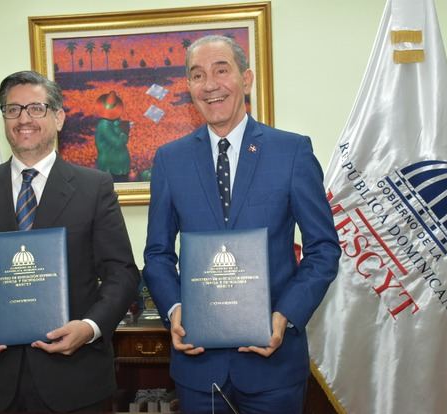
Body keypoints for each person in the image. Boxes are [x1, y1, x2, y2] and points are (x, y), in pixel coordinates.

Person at [142, 35, 341, 414]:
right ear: (189, 88)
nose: (210, 84)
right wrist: (173, 309)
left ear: (246, 79)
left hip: (274, 364)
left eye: (222, 70)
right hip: (198, 367)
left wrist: (286, 315)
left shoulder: (292, 150)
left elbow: (323, 248)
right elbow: (157, 253)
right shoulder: (170, 160)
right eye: (198, 75)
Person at [0, 70, 140, 413]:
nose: (24, 118)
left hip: (76, 380)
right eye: (13, 109)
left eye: (36, 108)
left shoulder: (93, 187)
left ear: (58, 117)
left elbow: (122, 273)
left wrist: (90, 327)